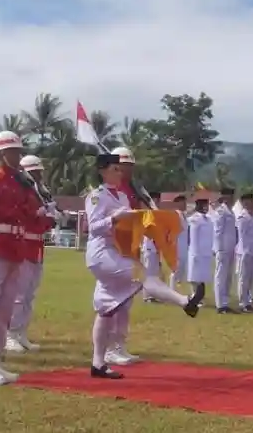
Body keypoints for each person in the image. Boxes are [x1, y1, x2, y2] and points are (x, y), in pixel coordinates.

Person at [86, 153, 203, 379]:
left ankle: (97, 363)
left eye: (120, 169)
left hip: (119, 250)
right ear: (103, 171)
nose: (119, 173)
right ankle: (184, 302)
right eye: (115, 169)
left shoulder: (120, 195)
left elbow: (129, 222)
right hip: (102, 252)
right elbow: (94, 228)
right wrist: (115, 218)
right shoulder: (96, 196)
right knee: (143, 275)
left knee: (105, 309)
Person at [0, 130, 42, 386]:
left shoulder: (20, 182)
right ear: (0, 153)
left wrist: (45, 215)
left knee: (4, 309)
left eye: (19, 151)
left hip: (15, 248)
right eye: (13, 151)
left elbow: (27, 215)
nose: (17, 155)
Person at [8, 154, 58, 352]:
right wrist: (43, 215)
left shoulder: (38, 191)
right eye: (35, 171)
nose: (39, 175)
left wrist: (50, 219)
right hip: (24, 244)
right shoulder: (22, 191)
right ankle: (9, 333)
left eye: (40, 171)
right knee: (18, 295)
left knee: (29, 295)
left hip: (37, 246)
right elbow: (25, 218)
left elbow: (41, 223)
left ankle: (21, 332)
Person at [210, 187, 237, 313]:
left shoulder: (230, 211)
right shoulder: (220, 211)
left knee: (228, 277)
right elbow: (217, 231)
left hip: (230, 248)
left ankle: (225, 302)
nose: (231, 199)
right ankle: (220, 305)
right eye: (229, 196)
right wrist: (218, 249)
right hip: (222, 249)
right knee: (221, 276)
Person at [234, 192, 253, 313]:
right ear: (245, 203)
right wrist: (245, 251)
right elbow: (242, 236)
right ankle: (242, 302)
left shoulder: (252, 217)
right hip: (245, 251)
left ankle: (247, 301)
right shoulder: (242, 217)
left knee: (250, 278)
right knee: (243, 278)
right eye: (251, 201)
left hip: (252, 251)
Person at [187, 197, 215, 305]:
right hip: (197, 252)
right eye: (204, 206)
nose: (206, 208)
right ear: (198, 206)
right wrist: (195, 253)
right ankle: (195, 297)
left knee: (202, 276)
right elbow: (193, 237)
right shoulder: (195, 219)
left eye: (207, 205)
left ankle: (200, 297)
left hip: (206, 252)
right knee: (195, 276)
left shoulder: (208, 219)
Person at [141, 191, 163, 303]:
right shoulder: (148, 213)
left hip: (156, 248)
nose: (157, 202)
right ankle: (146, 296)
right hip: (149, 247)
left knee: (154, 273)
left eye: (158, 200)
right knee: (149, 273)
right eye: (155, 200)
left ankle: (153, 294)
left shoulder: (157, 213)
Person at [168, 195, 190, 291]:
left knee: (182, 268)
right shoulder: (175, 215)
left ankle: (177, 286)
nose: (185, 205)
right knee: (176, 269)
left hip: (184, 246)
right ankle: (171, 290)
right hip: (176, 245)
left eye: (186, 202)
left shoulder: (184, 215)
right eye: (183, 203)